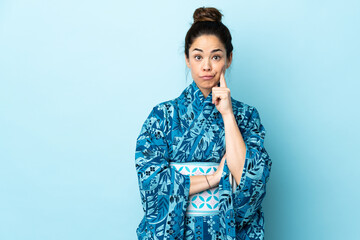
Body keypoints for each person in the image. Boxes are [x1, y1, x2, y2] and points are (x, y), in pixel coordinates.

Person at [135, 6, 272, 240]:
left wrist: (228, 115)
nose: (206, 66)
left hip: (225, 230)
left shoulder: (246, 116)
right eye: (198, 56)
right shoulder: (163, 116)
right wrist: (213, 179)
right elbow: (151, 184)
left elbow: (253, 182)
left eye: (216, 56)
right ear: (187, 59)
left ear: (229, 59)